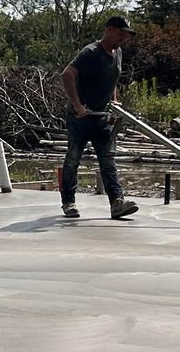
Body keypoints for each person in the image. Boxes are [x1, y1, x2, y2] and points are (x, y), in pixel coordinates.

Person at [59, 16, 140, 220]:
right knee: (73, 159)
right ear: (109, 30)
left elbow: (112, 81)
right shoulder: (90, 52)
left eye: (127, 35)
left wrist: (114, 103)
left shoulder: (118, 53)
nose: (124, 38)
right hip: (81, 117)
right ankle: (68, 202)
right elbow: (67, 74)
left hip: (102, 118)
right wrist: (78, 105)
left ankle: (117, 203)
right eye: (121, 34)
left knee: (107, 159)